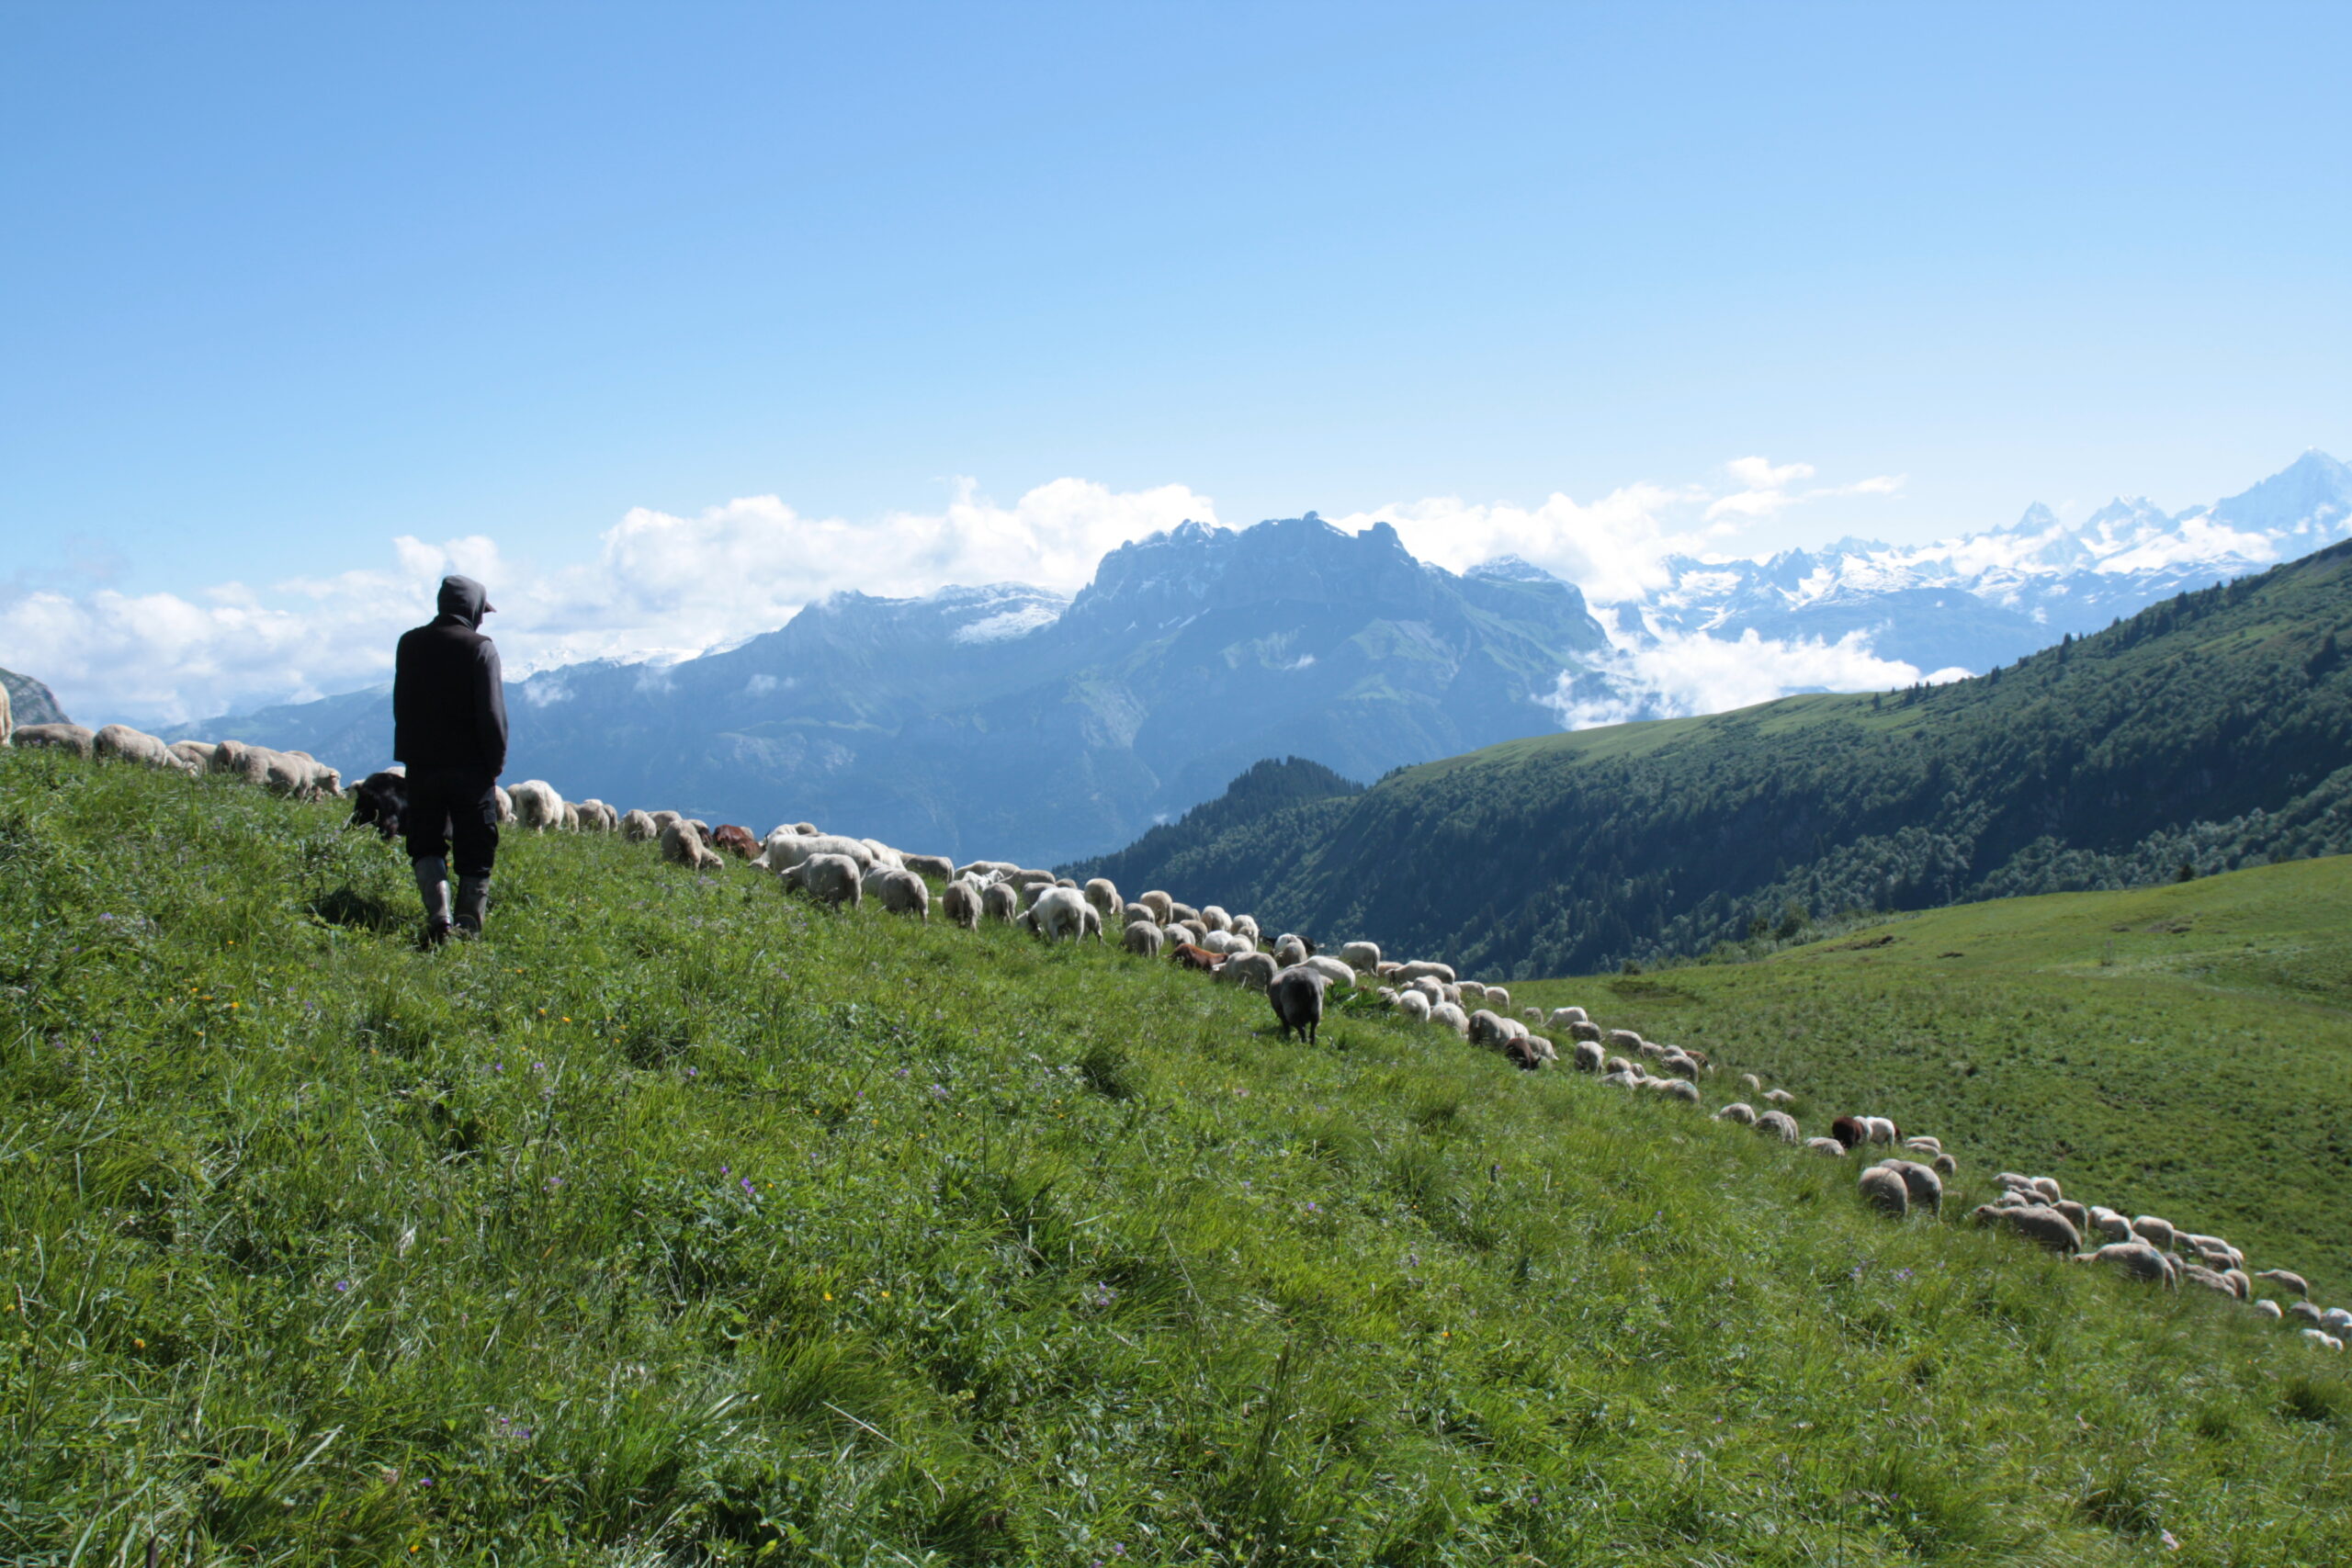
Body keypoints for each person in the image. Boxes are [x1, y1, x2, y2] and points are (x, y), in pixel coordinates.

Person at [392, 574, 508, 946]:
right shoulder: (480, 648)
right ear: (473, 608)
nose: (483, 619)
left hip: (421, 764)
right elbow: (492, 714)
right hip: (470, 768)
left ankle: (437, 917)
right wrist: (494, 764)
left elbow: (401, 703)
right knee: (476, 846)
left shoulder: (409, 644)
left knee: (425, 839)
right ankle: (468, 928)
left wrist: (410, 751)